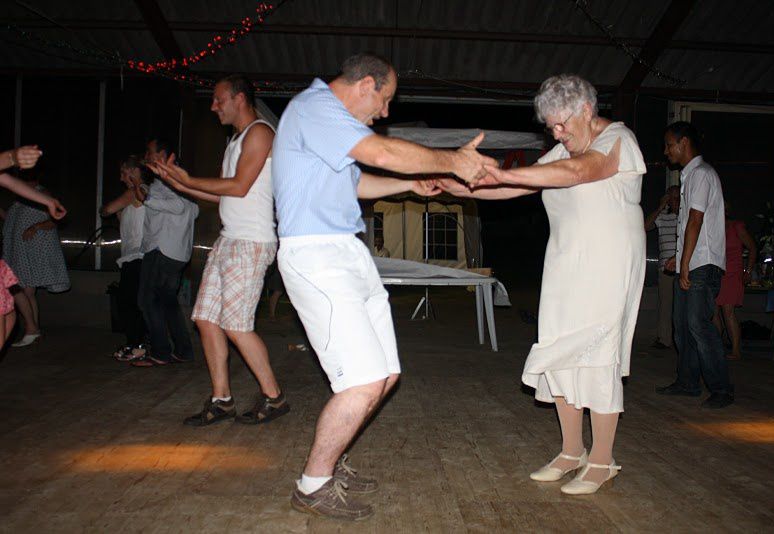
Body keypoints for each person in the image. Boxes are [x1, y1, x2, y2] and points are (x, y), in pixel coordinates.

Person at [271, 52, 496, 520]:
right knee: (362, 381)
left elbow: (355, 184)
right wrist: (453, 160)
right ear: (367, 83)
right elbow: (382, 152)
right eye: (386, 99)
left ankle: (332, 461)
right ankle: (313, 483)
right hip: (315, 253)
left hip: (346, 252)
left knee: (386, 374)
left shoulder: (329, 124)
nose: (385, 113)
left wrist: (411, 187)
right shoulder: (316, 108)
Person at [438, 74, 646, 495]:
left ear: (587, 111)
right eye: (550, 127)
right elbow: (517, 184)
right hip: (565, 263)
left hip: (607, 264)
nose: (556, 133)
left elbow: (576, 172)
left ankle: (602, 460)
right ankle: (572, 451)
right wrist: (460, 186)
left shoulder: (617, 142)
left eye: (562, 125)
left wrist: (511, 176)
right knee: (557, 348)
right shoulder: (565, 146)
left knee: (598, 351)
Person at [150, 75, 288, 426]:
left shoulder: (260, 132)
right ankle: (222, 399)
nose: (213, 106)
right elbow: (222, 194)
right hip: (229, 240)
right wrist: (177, 181)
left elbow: (239, 187)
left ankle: (274, 397)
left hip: (251, 241)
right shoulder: (235, 140)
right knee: (206, 318)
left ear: (239, 98)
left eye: (218, 100)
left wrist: (187, 179)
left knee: (236, 325)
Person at [657, 122, 733, 409]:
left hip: (702, 264)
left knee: (699, 326)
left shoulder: (701, 174)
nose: (666, 151)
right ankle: (687, 382)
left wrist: (686, 262)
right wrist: (680, 257)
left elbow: (696, 220)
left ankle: (722, 389)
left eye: (669, 145)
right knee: (682, 327)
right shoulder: (691, 176)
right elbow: (692, 223)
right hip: (692, 262)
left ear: (684, 142)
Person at [132, 138, 198, 366]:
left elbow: (179, 207)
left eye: (150, 152)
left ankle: (160, 352)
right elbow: (193, 210)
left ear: (163, 155)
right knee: (168, 303)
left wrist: (149, 198)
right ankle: (183, 350)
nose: (147, 156)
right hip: (176, 251)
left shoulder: (169, 180)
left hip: (162, 250)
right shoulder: (181, 178)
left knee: (148, 302)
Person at [0, 146, 66, 347]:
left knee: (11, 308)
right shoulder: (16, 205)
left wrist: (47, 200)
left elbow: (8, 181)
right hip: (16, 251)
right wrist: (12, 157)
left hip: (28, 251)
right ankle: (32, 328)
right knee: (17, 296)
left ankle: (32, 329)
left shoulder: (34, 192)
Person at [100, 156, 151, 361]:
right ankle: (138, 343)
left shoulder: (134, 192)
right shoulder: (138, 193)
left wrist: (114, 206)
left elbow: (105, 210)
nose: (121, 178)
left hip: (138, 255)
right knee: (133, 302)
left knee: (130, 303)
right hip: (133, 254)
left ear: (133, 172)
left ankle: (137, 344)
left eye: (124, 173)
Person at [712, 202, 757, 360]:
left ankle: (736, 350)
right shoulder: (713, 227)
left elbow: (752, 247)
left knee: (728, 311)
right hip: (717, 273)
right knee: (714, 311)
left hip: (733, 273)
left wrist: (748, 271)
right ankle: (717, 347)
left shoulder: (736, 226)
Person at [644, 185, 680, 349]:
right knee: (666, 305)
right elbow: (645, 226)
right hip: (665, 267)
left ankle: (681, 339)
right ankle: (664, 339)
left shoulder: (687, 216)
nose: (675, 200)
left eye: (677, 197)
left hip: (685, 266)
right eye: (671, 197)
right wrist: (660, 207)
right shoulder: (662, 217)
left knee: (684, 305)